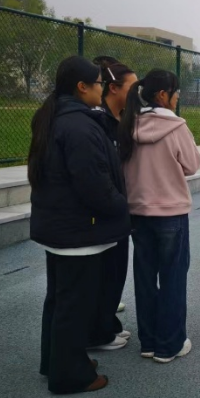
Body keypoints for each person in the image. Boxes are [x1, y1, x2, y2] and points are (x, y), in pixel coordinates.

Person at [30, 56, 130, 394]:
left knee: (60, 301)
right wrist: (121, 206)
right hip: (79, 232)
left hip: (62, 228)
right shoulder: (79, 126)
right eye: (99, 83)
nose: (102, 89)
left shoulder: (56, 118)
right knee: (74, 305)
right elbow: (93, 183)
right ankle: (70, 375)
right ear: (82, 87)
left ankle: (55, 361)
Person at [118, 69, 200, 362]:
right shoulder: (176, 126)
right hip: (171, 213)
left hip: (138, 213)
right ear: (163, 95)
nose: (178, 98)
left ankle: (149, 342)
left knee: (144, 278)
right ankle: (169, 344)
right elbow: (192, 165)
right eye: (176, 93)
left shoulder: (128, 124)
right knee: (173, 278)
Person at [86, 58, 137, 349]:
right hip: (107, 209)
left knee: (116, 271)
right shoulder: (98, 122)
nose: (137, 93)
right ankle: (98, 333)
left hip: (120, 209)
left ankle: (107, 324)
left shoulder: (123, 120)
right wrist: (117, 202)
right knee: (104, 273)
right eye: (132, 87)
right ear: (113, 88)